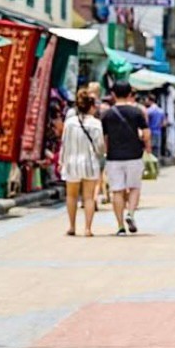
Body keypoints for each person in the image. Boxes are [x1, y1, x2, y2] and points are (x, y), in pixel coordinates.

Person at [101, 82, 150, 235]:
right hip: (134, 155)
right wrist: (146, 145)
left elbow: (104, 138)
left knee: (117, 191)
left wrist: (106, 152)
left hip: (114, 157)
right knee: (134, 187)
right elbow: (147, 134)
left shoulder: (107, 114)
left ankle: (120, 226)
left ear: (113, 95)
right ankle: (130, 213)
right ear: (130, 94)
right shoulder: (136, 112)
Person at [60, 89, 105, 237]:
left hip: (71, 163)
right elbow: (99, 146)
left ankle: (72, 226)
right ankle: (87, 228)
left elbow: (64, 144)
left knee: (71, 196)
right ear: (91, 106)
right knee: (88, 197)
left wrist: (61, 161)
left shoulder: (69, 123)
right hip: (89, 163)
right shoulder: (96, 123)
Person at [144, 94, 166, 160]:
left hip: (150, 132)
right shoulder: (161, 111)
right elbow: (164, 123)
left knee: (149, 151)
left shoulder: (148, 111)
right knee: (157, 151)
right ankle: (156, 166)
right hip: (158, 132)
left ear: (149, 100)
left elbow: (146, 122)